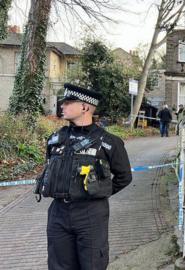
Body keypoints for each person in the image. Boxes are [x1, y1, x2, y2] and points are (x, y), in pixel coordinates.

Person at [34, 83, 132, 270]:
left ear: (85, 107)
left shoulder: (109, 142)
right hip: (58, 213)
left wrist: (99, 191)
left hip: (90, 214)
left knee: (92, 265)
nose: (62, 105)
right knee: (58, 265)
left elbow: (124, 177)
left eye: (68, 102)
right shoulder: (56, 138)